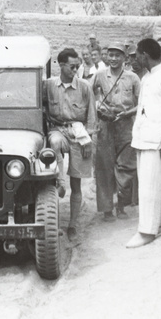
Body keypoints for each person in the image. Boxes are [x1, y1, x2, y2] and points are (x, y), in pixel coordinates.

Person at [127, 39, 161, 248]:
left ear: (145, 55)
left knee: (150, 188)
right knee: (148, 185)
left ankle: (147, 232)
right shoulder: (147, 78)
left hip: (158, 141)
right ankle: (157, 222)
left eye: (137, 55)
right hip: (143, 138)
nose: (135, 59)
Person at [44, 48, 97, 242]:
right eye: (72, 66)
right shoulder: (48, 86)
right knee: (54, 142)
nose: (76, 69)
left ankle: (72, 224)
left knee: (77, 182)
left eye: (78, 66)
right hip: (58, 129)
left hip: (79, 133)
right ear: (61, 65)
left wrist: (88, 140)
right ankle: (59, 181)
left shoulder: (84, 87)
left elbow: (92, 116)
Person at [93, 43, 140, 221]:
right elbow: (89, 94)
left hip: (126, 124)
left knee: (127, 167)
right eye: (110, 55)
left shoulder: (133, 78)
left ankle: (121, 206)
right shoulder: (99, 75)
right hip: (105, 125)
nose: (113, 58)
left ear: (125, 58)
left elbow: (141, 102)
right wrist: (97, 107)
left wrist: (128, 113)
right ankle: (106, 209)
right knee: (104, 167)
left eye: (117, 55)